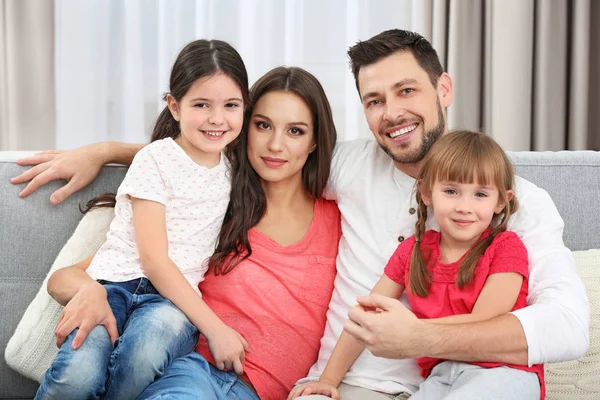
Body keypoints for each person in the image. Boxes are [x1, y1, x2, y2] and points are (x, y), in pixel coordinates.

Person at [11, 29, 589, 399]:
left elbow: (568, 328)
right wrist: (107, 153)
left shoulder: (516, 199)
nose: (393, 113)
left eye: (407, 91)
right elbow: (237, 157)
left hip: (455, 380)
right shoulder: (348, 168)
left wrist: (419, 335)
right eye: (374, 99)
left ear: (444, 89)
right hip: (347, 384)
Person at [34, 64, 340, 400]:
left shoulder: (340, 215)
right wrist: (104, 152)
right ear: (244, 129)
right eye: (263, 125)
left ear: (314, 141)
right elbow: (183, 160)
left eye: (296, 131)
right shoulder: (216, 205)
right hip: (193, 372)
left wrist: (108, 150)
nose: (276, 145)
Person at [35, 39, 251, 400]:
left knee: (146, 353)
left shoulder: (236, 169)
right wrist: (216, 329)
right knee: (77, 375)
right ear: (174, 106)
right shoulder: (155, 159)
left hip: (170, 304)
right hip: (113, 285)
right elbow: (153, 260)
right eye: (201, 105)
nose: (217, 118)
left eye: (231, 105)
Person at [290, 131, 544, 400]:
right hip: (441, 374)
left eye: (480, 194)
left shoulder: (505, 246)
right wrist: (328, 380)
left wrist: (412, 333)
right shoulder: (413, 251)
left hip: (503, 371)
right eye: (451, 191)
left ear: (501, 202)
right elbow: (365, 316)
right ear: (426, 193)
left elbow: (486, 321)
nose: (464, 206)